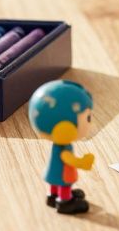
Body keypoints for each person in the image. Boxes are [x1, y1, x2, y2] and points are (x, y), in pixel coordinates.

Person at [29, 80, 96, 215]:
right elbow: (68, 159)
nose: (90, 122)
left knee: (55, 182)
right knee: (65, 184)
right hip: (62, 173)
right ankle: (65, 201)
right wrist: (83, 162)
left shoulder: (57, 146)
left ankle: (52, 195)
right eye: (87, 117)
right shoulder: (64, 147)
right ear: (65, 127)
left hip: (53, 171)